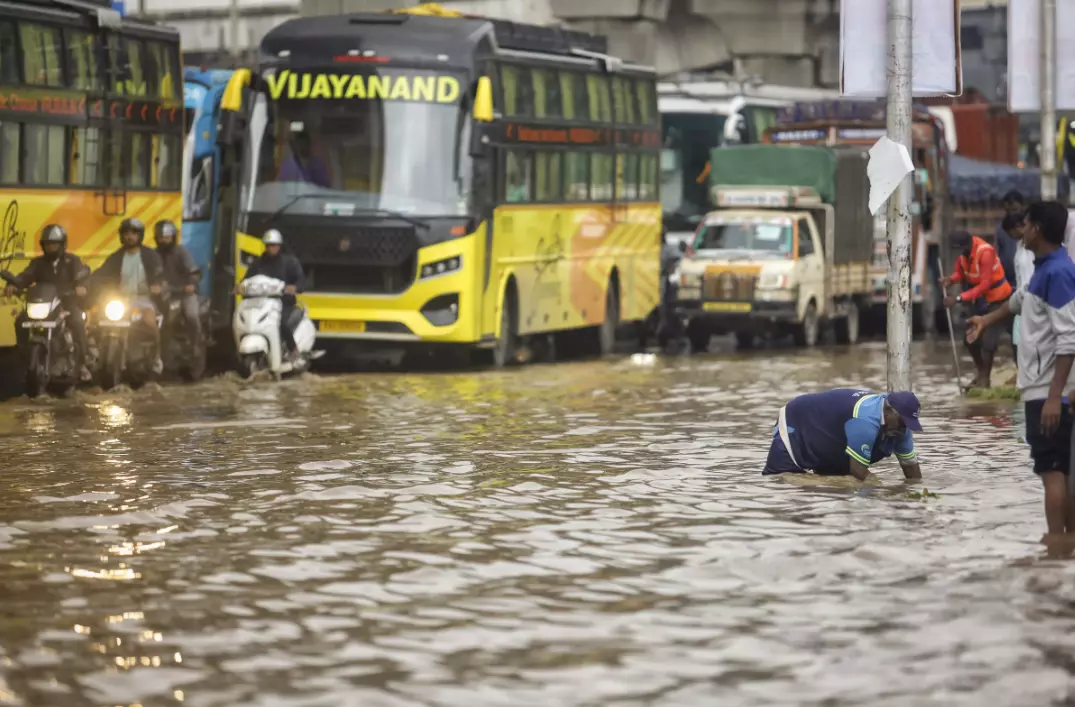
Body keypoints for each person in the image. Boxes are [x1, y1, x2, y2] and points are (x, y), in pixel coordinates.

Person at [967, 201, 1075, 540]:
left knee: (1053, 472)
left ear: (1038, 230)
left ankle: (1056, 543)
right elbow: (1019, 301)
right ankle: (1063, 547)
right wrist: (986, 319)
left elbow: (1069, 340)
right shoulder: (1045, 270)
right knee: (1058, 471)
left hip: (1048, 393)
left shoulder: (1057, 273)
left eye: (1026, 225)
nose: (1021, 231)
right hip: (1042, 391)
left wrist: (1055, 398)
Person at [762, 388, 923, 483]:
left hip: (831, 434)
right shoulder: (864, 422)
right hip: (797, 420)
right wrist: (881, 489)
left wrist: (916, 494)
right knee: (780, 480)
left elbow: (911, 467)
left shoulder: (902, 428)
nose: (903, 429)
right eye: (902, 423)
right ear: (887, 412)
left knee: (834, 486)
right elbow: (859, 471)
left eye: (908, 425)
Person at [4, 225, 91, 381]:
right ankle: (25, 357)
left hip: (66, 304)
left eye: (54, 244)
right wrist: (14, 285)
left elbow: (81, 275)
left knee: (77, 322)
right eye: (48, 244)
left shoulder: (72, 261)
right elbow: (25, 276)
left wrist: (81, 287)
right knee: (20, 322)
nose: (51, 247)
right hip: (44, 305)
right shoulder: (38, 263)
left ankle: (83, 364)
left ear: (62, 244)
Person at [939, 230, 1013, 388]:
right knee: (970, 340)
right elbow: (961, 274)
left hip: (998, 300)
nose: (958, 253)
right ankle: (981, 372)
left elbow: (985, 284)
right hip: (980, 302)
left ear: (967, 245)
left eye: (959, 249)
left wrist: (958, 298)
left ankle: (984, 379)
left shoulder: (985, 252)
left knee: (988, 342)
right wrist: (950, 280)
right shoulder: (962, 256)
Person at [91, 218, 165, 373]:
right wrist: (90, 281)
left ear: (140, 236)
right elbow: (101, 273)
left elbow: (159, 272)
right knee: (95, 321)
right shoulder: (116, 257)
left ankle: (156, 357)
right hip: (120, 301)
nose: (129, 237)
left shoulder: (150, 255)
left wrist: (157, 285)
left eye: (133, 233)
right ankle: (95, 358)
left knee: (150, 321)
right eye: (126, 233)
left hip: (143, 300)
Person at [238, 229, 306, 361]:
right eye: (268, 245)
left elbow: (301, 279)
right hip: (260, 303)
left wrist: (294, 287)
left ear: (279, 246)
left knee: (281, 323)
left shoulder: (289, 262)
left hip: (283, 303)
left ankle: (293, 350)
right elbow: (246, 280)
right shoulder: (257, 263)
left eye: (274, 245)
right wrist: (240, 287)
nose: (271, 248)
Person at [153, 220, 201, 347]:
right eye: (161, 237)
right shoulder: (153, 254)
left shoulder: (181, 252)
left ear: (173, 237)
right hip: (162, 295)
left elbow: (193, 271)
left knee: (191, 315)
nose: (164, 240)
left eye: (167, 237)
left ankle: (196, 345)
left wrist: (190, 285)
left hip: (183, 294)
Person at [1002, 211, 1035, 363]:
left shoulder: (1032, 247)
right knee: (1017, 345)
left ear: (1018, 227)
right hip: (1021, 301)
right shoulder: (1020, 245)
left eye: (1011, 233)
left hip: (1031, 300)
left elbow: (1030, 277)